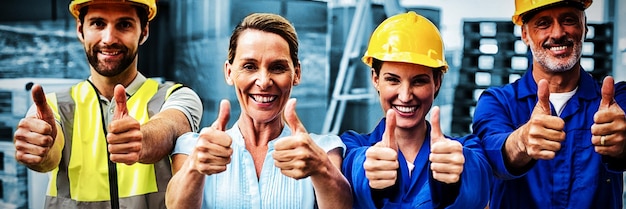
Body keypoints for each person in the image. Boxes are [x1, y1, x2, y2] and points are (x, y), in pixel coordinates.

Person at [12, 0, 203, 208]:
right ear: (80, 30)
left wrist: (142, 140)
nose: (109, 39)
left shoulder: (178, 96)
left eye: (124, 25)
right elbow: (49, 156)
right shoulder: (52, 106)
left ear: (144, 31)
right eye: (97, 23)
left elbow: (172, 126)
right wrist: (41, 150)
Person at [165, 13, 352, 209]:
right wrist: (195, 167)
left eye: (278, 67)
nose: (263, 82)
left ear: (296, 74)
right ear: (229, 73)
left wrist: (321, 169)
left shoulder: (323, 149)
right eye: (249, 66)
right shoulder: (195, 147)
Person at [473, 0, 626, 208]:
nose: (557, 33)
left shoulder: (617, 101)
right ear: (525, 34)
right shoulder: (497, 102)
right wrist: (522, 141)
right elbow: (490, 155)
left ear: (585, 26)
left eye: (569, 20)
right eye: (543, 23)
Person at [340, 11, 491, 208]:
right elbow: (352, 167)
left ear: (437, 82)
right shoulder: (350, 147)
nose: (405, 96)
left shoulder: (466, 150)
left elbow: (478, 182)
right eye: (392, 80)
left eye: (419, 81)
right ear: (375, 79)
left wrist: (454, 178)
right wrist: (369, 169)